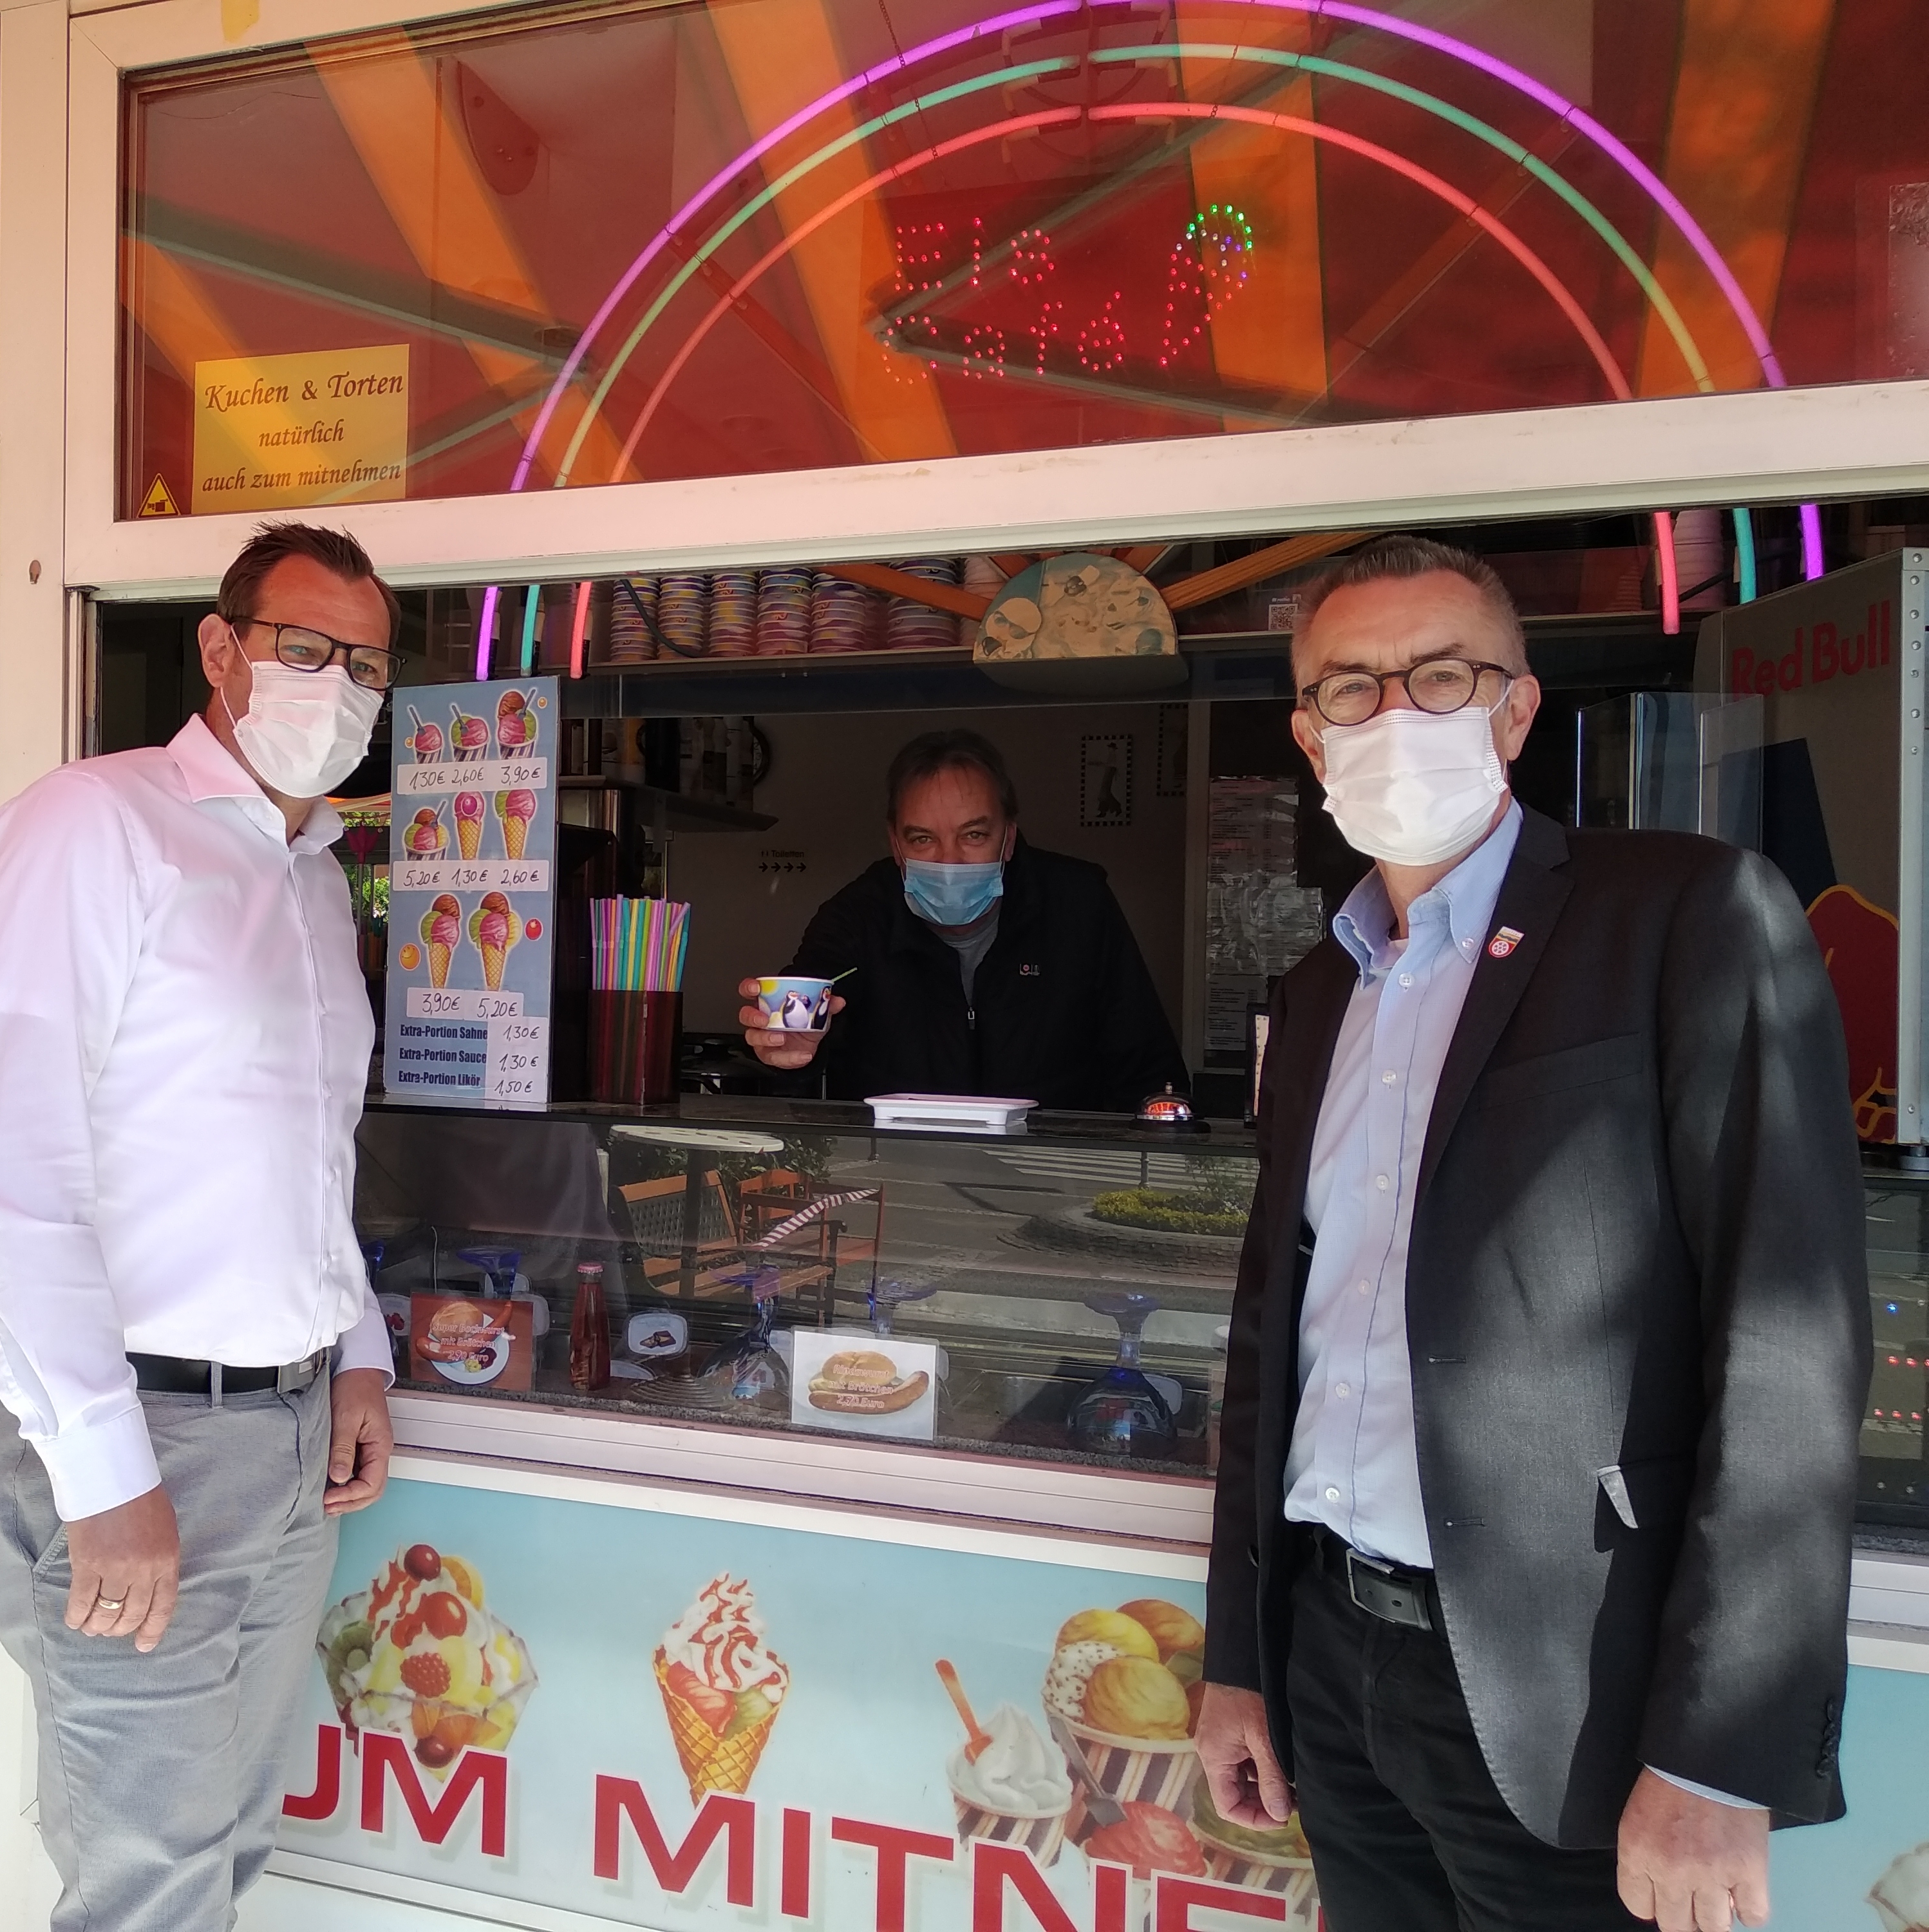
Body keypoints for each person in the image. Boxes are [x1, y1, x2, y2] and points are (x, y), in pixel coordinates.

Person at [1194, 535, 1867, 1932]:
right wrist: (1243, 1658)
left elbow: (1787, 1343)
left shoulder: (1683, 913)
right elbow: (1277, 1336)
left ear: (1513, 709)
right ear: (1306, 735)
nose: (1394, 717)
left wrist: (1714, 1748)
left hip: (1571, 1694)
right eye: (1351, 690)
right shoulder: (1320, 989)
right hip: (1331, 1660)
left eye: (1438, 677)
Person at [0, 521, 401, 1931]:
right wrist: (101, 1473)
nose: (336, 685)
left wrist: (360, 1347)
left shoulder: (316, 874)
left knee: (222, 1853)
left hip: (284, 1444)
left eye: (366, 666)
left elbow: (300, 1161)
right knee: (145, 1885)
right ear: (219, 648)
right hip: (142, 1444)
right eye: (306, 648)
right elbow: (10, 1169)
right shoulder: (92, 824)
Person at [735, 728, 1183, 1110]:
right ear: (896, 844)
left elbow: (1149, 1069)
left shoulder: (1079, 904)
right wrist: (790, 1052)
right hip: (901, 1184)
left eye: (973, 835)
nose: (950, 861)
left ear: (1008, 839)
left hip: (1059, 1178)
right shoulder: (859, 915)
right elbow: (807, 994)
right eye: (923, 839)